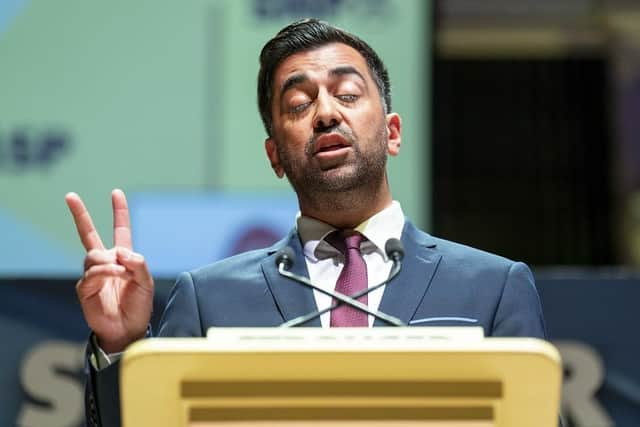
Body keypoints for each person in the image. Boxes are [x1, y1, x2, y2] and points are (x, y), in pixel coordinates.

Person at [65, 19, 546, 427]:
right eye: (298, 104)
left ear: (393, 132)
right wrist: (121, 344)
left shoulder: (493, 287)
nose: (326, 113)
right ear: (275, 155)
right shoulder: (208, 299)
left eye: (349, 94)